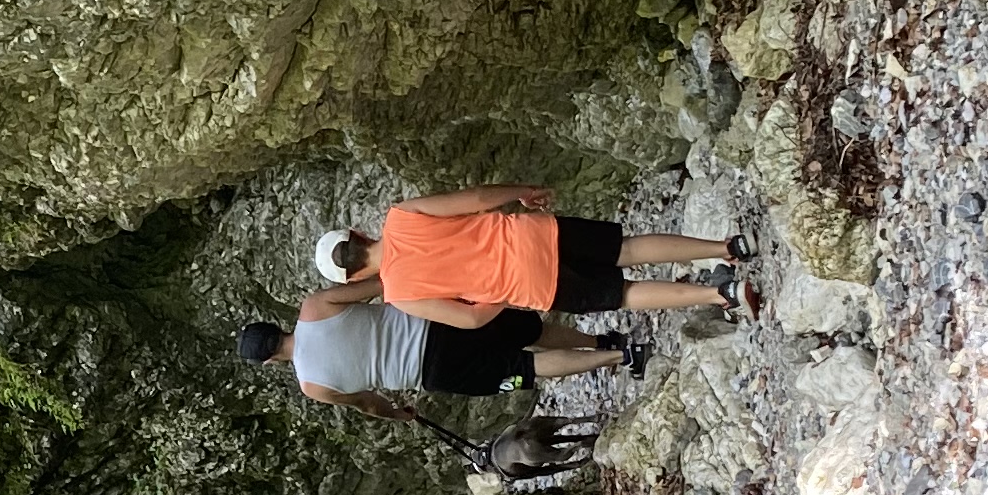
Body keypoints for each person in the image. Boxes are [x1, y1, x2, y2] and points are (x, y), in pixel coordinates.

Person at [313, 186, 736, 330]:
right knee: (627, 248)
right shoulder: (402, 215)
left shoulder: (401, 295)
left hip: (535, 285)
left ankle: (720, 294)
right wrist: (520, 192)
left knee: (625, 294)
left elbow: (472, 319)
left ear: (351, 280)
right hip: (535, 234)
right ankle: (726, 248)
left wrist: (507, 285)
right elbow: (477, 199)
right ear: (358, 233)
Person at [236, 276, 618, 418]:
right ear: (276, 326)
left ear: (269, 361)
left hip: (431, 372)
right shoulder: (315, 307)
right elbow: (382, 285)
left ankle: (616, 357)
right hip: (435, 320)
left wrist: (398, 414)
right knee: (529, 330)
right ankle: (603, 339)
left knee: (524, 368)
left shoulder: (313, 387)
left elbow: (367, 402)